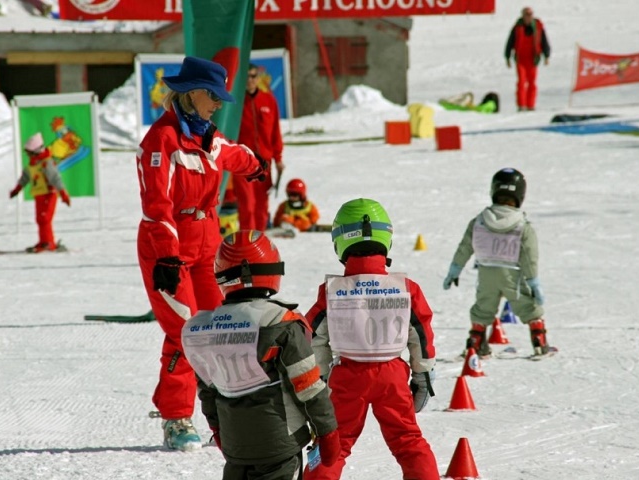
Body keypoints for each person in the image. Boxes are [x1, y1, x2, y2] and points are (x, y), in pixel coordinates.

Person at [136, 56, 268, 452]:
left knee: (217, 330)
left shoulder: (207, 135)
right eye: (214, 97)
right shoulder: (161, 141)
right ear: (193, 93)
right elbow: (156, 206)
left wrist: (255, 166)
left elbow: (231, 153)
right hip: (169, 248)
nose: (219, 104)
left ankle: (218, 414)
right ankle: (176, 418)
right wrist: (167, 257)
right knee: (185, 334)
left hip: (207, 245)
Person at [182, 230, 340, 478]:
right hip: (279, 445)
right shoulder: (281, 322)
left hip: (235, 447)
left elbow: (208, 392)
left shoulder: (201, 329)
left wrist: (218, 430)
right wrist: (327, 431)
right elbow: (309, 386)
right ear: (271, 272)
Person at [304, 198, 441, 480]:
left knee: (335, 443)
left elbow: (314, 338)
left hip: (348, 376)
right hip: (392, 375)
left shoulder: (331, 290)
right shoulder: (406, 288)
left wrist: (322, 378)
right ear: (385, 237)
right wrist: (422, 375)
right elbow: (421, 334)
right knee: (408, 440)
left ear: (340, 239)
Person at [442, 168, 552, 358]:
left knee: (483, 306)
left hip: (486, 272)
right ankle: (539, 342)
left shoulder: (479, 221)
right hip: (513, 275)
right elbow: (529, 256)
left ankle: (476, 343)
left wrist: (455, 269)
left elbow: (465, 247)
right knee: (527, 306)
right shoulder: (522, 225)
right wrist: (533, 281)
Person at [232, 63, 285, 231]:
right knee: (247, 205)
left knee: (261, 206)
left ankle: (260, 242)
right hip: (242, 162)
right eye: (246, 77)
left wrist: (278, 159)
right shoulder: (235, 103)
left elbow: (275, 132)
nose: (250, 80)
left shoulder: (269, 100)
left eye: (253, 76)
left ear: (258, 78)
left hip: (264, 163)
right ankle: (248, 244)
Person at [9, 132, 71, 253]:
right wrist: (17, 189)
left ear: (36, 151)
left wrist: (63, 193)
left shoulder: (46, 162)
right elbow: (25, 177)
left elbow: (55, 178)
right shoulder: (32, 164)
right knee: (40, 219)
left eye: (29, 153)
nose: (27, 155)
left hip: (49, 194)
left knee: (45, 219)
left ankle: (49, 243)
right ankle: (44, 241)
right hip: (39, 195)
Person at [504, 7, 551, 111]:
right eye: (526, 14)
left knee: (532, 83)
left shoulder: (538, 27)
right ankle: (521, 105)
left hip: (533, 59)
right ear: (523, 16)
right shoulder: (517, 28)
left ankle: (531, 105)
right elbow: (510, 42)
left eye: (530, 14)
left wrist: (546, 55)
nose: (529, 17)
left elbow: (544, 41)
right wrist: (507, 57)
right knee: (521, 82)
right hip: (521, 59)